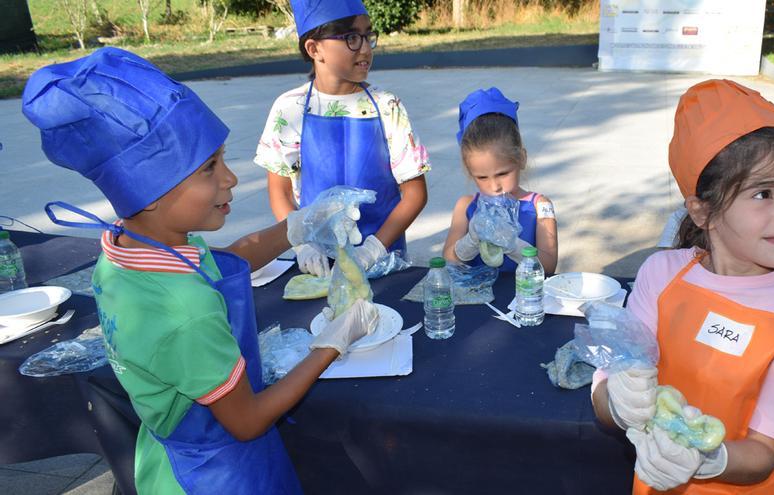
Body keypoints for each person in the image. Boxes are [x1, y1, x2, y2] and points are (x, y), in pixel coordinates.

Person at [21, 47, 379, 494]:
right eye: (210, 167)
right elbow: (246, 421)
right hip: (215, 474)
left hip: (169, 452)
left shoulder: (127, 250)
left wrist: (296, 226)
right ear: (148, 189)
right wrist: (332, 344)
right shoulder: (184, 310)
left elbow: (226, 263)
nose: (230, 178)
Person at [590, 79, 774, 494]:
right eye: (764, 193)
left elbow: (762, 453)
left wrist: (708, 458)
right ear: (702, 211)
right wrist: (617, 403)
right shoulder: (661, 274)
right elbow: (610, 385)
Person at [254, 0, 430, 277]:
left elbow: (415, 193)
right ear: (314, 49)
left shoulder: (388, 106)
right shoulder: (289, 109)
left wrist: (371, 251)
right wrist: (303, 247)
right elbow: (280, 192)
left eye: (368, 35)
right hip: (319, 266)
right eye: (351, 38)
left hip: (383, 260)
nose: (365, 48)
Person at [442, 87, 558, 273]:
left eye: (503, 174)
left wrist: (513, 245)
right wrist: (469, 243)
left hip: (525, 296)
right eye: (481, 177)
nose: (495, 186)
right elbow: (448, 259)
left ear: (521, 158)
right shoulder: (465, 206)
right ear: (470, 172)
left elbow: (549, 266)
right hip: (476, 296)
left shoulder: (540, 205)